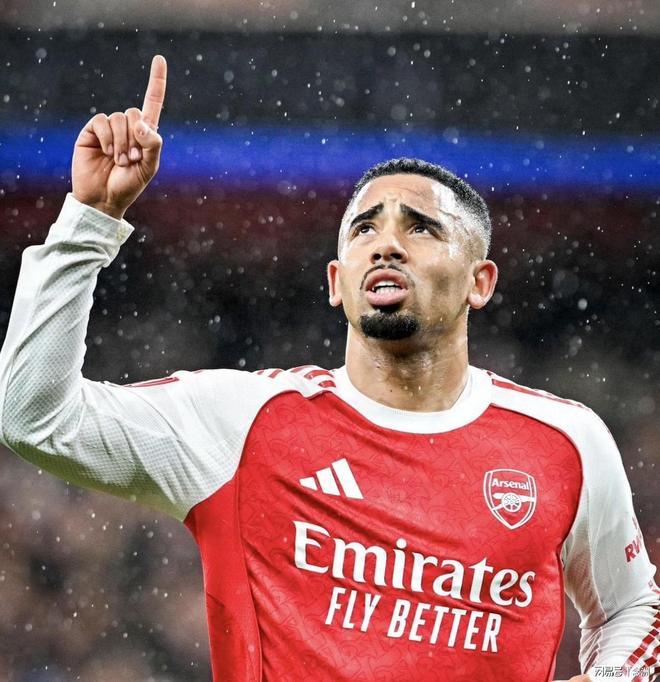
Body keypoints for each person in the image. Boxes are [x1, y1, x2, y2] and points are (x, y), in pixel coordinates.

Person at [0, 54, 657, 682]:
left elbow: (633, 607)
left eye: (421, 228)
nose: (387, 244)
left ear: (479, 282)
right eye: (364, 229)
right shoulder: (240, 424)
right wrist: (88, 222)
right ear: (337, 282)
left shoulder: (567, 443)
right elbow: (36, 418)